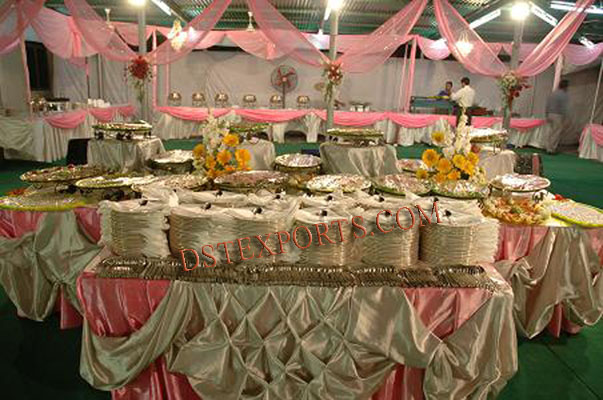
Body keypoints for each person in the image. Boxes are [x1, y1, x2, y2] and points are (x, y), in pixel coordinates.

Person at [545, 79, 569, 154]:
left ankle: (547, 147)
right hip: (558, 115)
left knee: (550, 131)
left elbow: (547, 105)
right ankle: (551, 149)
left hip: (549, 114)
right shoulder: (564, 95)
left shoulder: (553, 93)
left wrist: (546, 114)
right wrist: (565, 117)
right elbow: (564, 107)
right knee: (556, 132)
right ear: (566, 86)